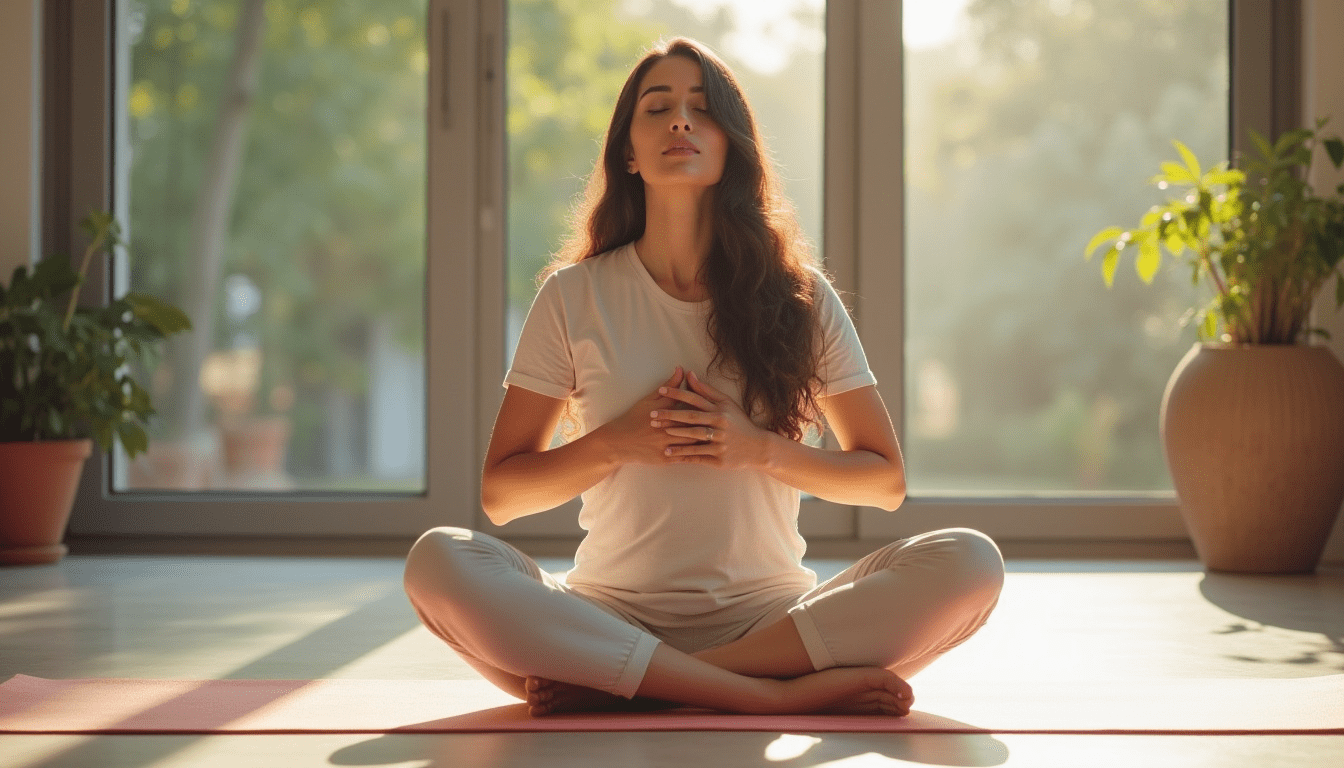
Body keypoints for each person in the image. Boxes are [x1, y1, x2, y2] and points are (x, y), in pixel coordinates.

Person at [403, 37, 1004, 718]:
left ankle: (645, 683)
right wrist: (616, 443)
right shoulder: (574, 296)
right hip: (607, 616)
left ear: (731, 147)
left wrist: (760, 450)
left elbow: (884, 482)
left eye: (702, 110)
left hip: (773, 626)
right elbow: (503, 496)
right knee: (438, 559)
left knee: (970, 561)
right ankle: (761, 698)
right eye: (657, 108)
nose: (681, 122)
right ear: (629, 152)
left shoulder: (801, 297)